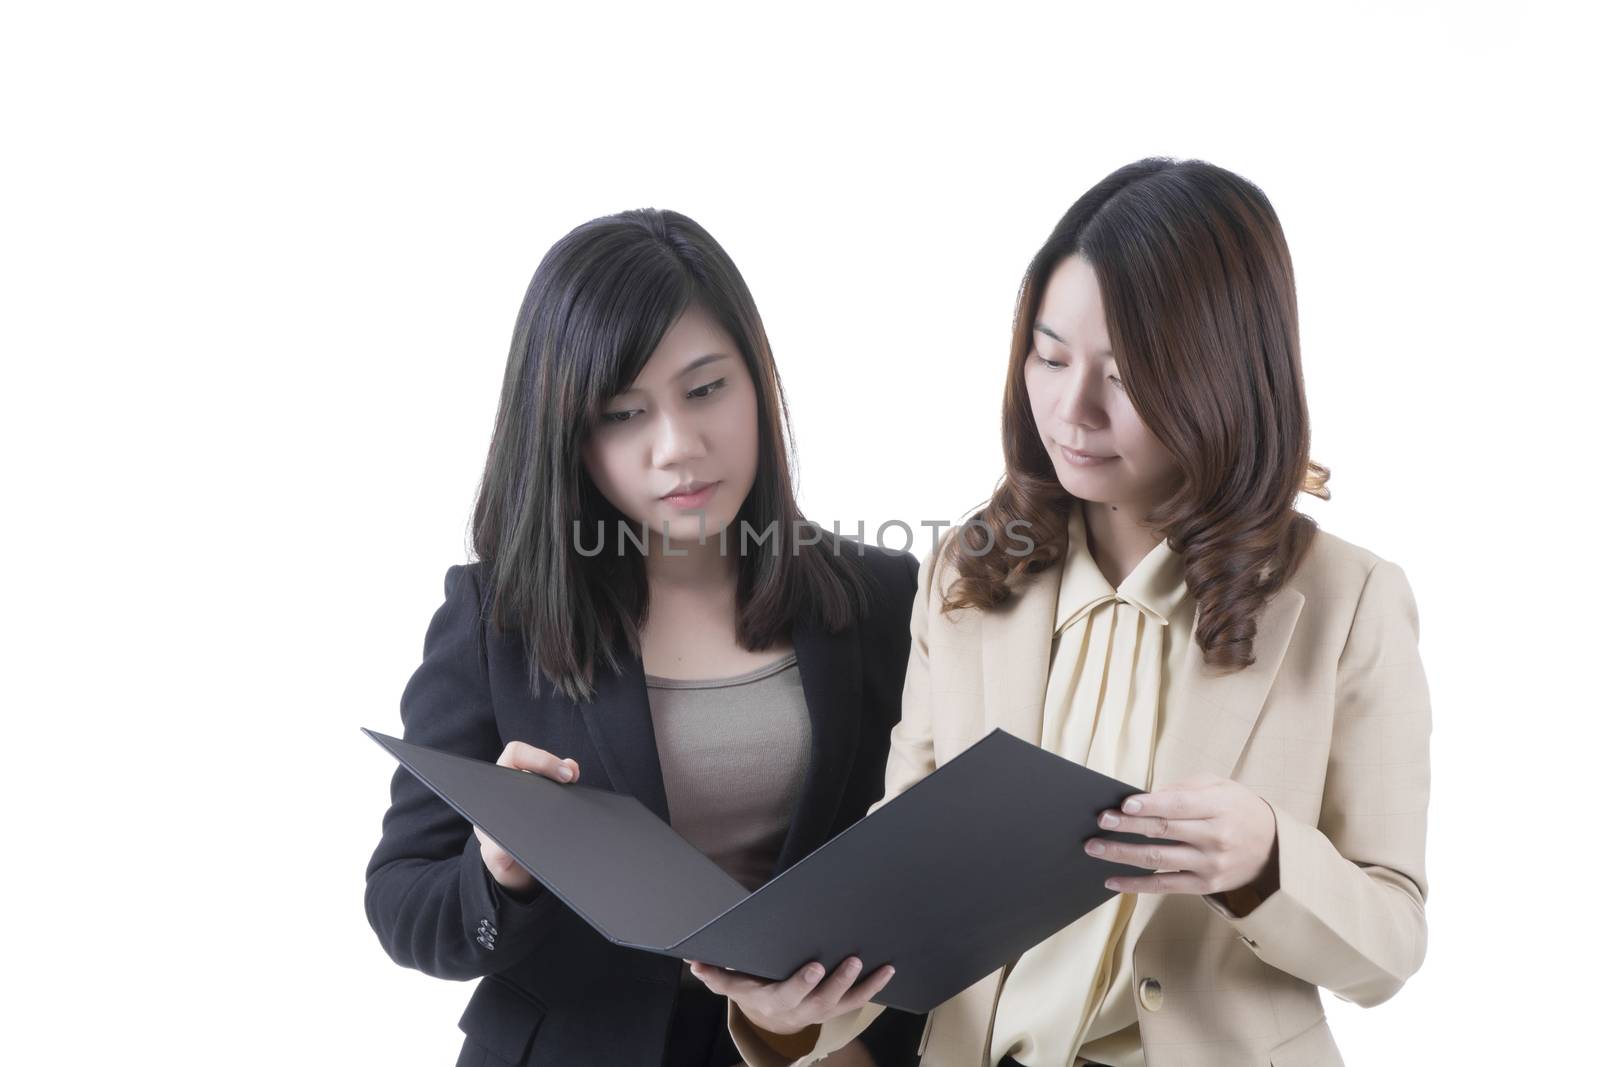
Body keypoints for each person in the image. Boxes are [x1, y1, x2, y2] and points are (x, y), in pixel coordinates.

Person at [698, 158, 1432, 1067]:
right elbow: (904, 896)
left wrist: (1266, 859)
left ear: (1226, 376)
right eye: (1048, 357)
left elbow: (1390, 947)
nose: (1070, 409)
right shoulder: (965, 580)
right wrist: (788, 1014)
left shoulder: (1348, 600)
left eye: (1123, 376)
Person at [364, 208, 926, 1067]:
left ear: (759, 379)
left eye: (707, 389)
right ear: (566, 435)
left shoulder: (886, 597)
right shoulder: (496, 619)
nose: (680, 448)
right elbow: (404, 904)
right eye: (624, 413)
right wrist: (501, 869)